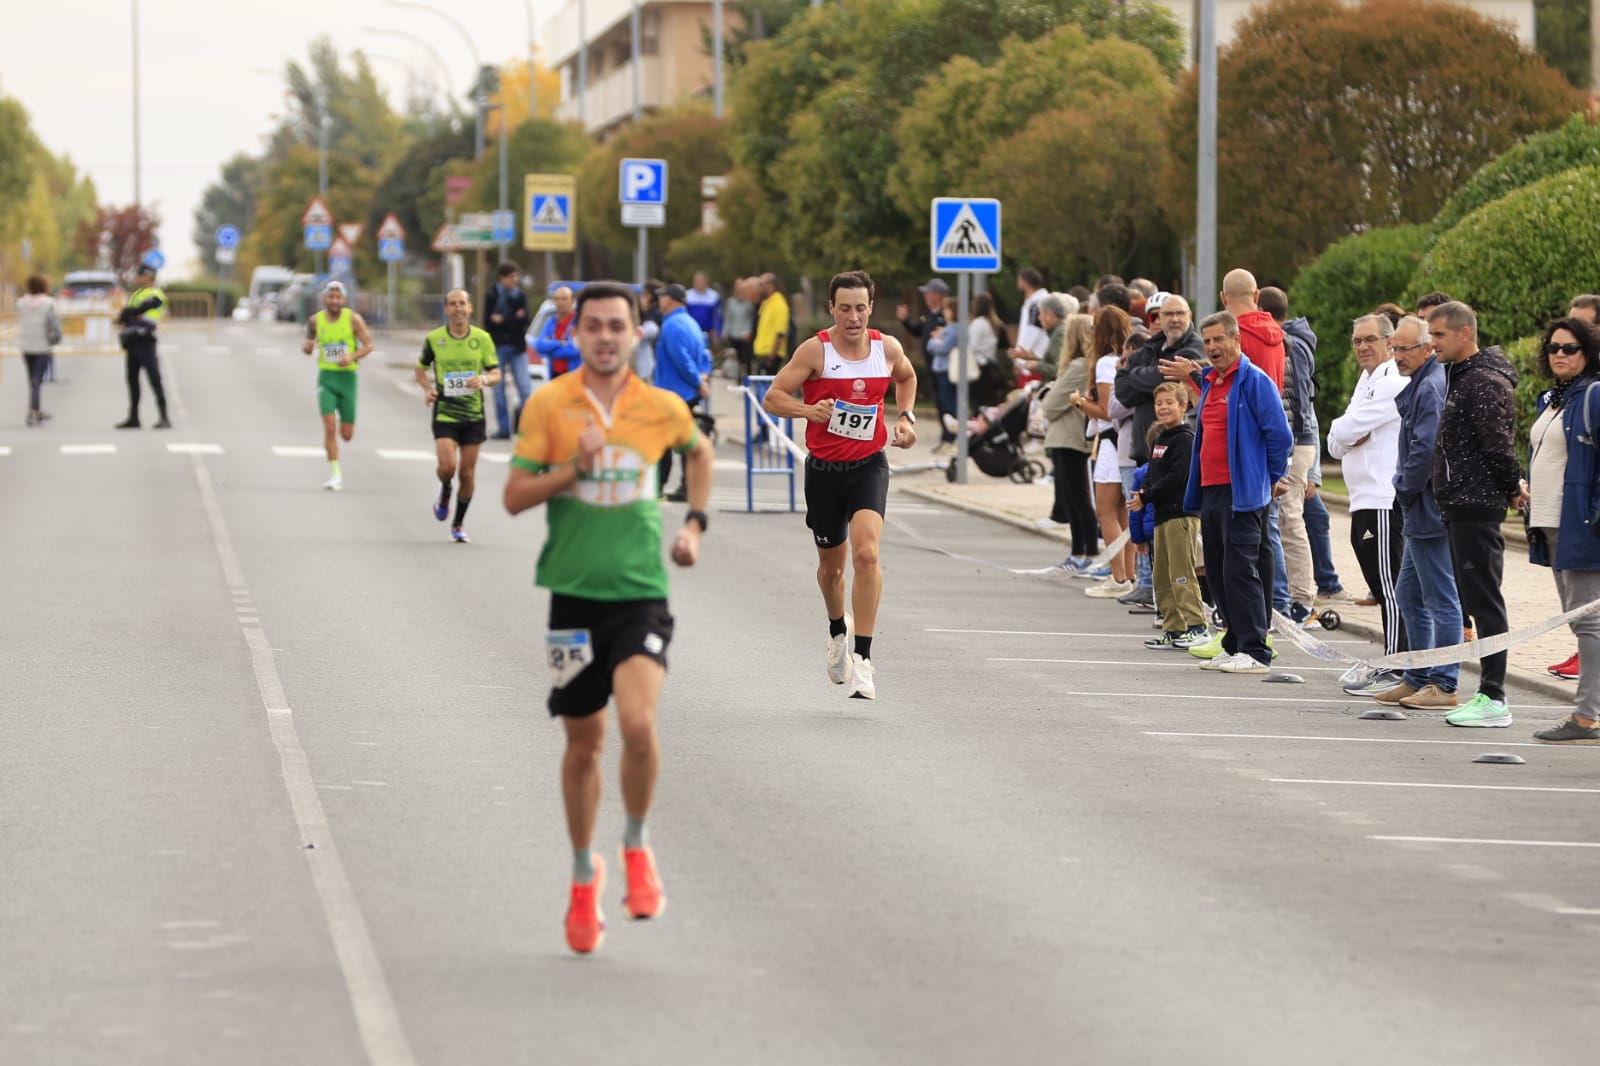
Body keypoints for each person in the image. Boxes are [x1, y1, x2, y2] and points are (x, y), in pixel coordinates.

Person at [503, 279, 714, 956]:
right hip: (572, 595)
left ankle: (635, 845)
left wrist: (695, 528)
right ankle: (580, 875)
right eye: (591, 325)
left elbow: (701, 452)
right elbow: (512, 497)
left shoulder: (660, 407)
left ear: (634, 332)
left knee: (637, 723)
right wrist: (572, 469)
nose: (603, 335)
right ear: (578, 333)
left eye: (615, 325)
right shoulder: (549, 404)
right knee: (584, 745)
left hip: (639, 591)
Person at [762, 270, 918, 701]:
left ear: (871, 306)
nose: (853, 317)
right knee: (832, 570)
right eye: (845, 308)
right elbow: (773, 396)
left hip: (870, 465)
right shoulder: (816, 350)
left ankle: (864, 661)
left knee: (867, 554)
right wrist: (806, 411)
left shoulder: (887, 347)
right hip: (825, 472)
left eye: (861, 308)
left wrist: (906, 417)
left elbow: (906, 378)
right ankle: (837, 631)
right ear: (832, 307)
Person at [1176, 311, 1292, 673]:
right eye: (1207, 341)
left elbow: (1280, 436)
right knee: (1217, 570)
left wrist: (1269, 478)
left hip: (1243, 493)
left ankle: (1256, 649)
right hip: (1211, 490)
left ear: (1236, 341)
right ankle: (1233, 642)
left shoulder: (1254, 381)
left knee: (1241, 571)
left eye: (1218, 340)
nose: (1212, 347)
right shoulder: (1211, 381)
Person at [1428, 301, 1524, 727]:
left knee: (1484, 601)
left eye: (1439, 336)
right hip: (1459, 503)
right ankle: (1486, 692)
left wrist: (1512, 488)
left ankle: (1494, 697)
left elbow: (1498, 445)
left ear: (1465, 334)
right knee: (1473, 599)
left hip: (1477, 505)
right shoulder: (1461, 376)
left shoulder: (1483, 381)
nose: (1433, 345)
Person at [1382, 316, 1462, 710]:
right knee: (1408, 594)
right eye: (1394, 348)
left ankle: (1444, 684)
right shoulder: (1421, 383)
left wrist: (1403, 488)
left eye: (1404, 349)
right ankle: (1416, 676)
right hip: (1419, 508)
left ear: (1427, 348)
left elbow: (1424, 450)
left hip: (1428, 508)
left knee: (1441, 598)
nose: (1397, 356)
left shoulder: (1430, 387)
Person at [1526, 317, 1600, 743]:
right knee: (1579, 622)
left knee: (1587, 622)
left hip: (1580, 525)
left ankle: (1587, 716)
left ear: (1587, 352)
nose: (1559, 354)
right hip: (1551, 523)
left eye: (1569, 348)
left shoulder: (1593, 395)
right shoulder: (1552, 399)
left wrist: (1594, 516)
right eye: (1554, 347)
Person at [1328, 313, 1409, 691]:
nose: (1362, 346)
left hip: (1381, 497)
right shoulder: (1366, 382)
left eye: (1370, 339)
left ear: (1389, 342)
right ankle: (1398, 659)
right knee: (1381, 586)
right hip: (1362, 500)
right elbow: (1336, 439)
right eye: (1357, 340)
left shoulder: (1392, 382)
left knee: (1388, 587)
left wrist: (1345, 432)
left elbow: (1345, 429)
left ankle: (1396, 662)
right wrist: (1344, 433)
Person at [417, 289, 501, 543]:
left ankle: (458, 523)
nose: (458, 308)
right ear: (446, 309)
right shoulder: (434, 339)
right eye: (453, 304)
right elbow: (420, 369)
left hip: (473, 414)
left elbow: (496, 373)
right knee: (447, 467)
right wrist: (427, 389)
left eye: (462, 303)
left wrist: (484, 379)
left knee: (467, 472)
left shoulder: (483, 339)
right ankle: (445, 490)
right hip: (445, 413)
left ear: (470, 307)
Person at [1259, 287, 1321, 626]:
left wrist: (1294, 449)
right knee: (1284, 521)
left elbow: (1299, 401)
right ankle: (1290, 597)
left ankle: (1299, 600)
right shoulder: (1292, 341)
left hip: (1293, 441)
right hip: (1296, 440)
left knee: (1289, 519)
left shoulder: (1289, 344)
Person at [1136, 382, 1208, 648]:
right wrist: (1144, 492)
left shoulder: (1185, 439)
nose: (1163, 408)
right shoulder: (1159, 439)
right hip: (1161, 516)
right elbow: (1154, 474)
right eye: (1159, 403)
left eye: (1169, 402)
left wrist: (1148, 494)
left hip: (1181, 515)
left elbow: (1178, 477)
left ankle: (1197, 625)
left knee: (1181, 573)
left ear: (1183, 406)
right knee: (1162, 576)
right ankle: (1174, 627)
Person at [1074, 307, 1136, 598]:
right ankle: (1130, 574)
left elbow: (1106, 410)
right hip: (1126, 440)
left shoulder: (1104, 365)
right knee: (1125, 513)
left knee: (1106, 511)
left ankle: (1118, 576)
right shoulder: (1128, 359)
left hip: (1110, 443)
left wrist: (1079, 403)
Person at [1038, 309, 1099, 570]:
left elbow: (1050, 405)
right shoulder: (1082, 365)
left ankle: (1086, 553)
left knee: (1078, 496)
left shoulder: (1078, 366)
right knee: (1073, 497)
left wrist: (1050, 390)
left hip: (1069, 437)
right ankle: (1078, 552)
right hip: (1067, 436)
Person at [1115, 294, 1205, 468]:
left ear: (1190, 316)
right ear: (1160, 318)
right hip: (1144, 452)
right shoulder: (1151, 346)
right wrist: (1147, 382)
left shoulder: (1195, 347)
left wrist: (1134, 374)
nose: (1175, 319)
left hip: (1177, 452)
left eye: (1180, 313)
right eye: (1169, 314)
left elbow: (1165, 380)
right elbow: (1122, 390)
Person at [301, 280, 374, 491]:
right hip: (327, 378)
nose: (334, 301)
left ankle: (344, 420)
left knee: (347, 435)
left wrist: (351, 356)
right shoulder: (315, 321)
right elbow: (308, 344)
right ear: (324, 298)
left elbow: (369, 345)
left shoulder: (353, 319)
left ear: (343, 299)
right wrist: (306, 347)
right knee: (329, 426)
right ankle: (335, 474)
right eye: (330, 297)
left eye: (338, 297)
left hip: (348, 379)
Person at [653, 283, 712, 502]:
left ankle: (658, 487)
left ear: (670, 300)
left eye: (662, 297)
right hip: (687, 393)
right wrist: (704, 375)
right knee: (685, 441)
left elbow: (682, 360)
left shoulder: (671, 326)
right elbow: (705, 355)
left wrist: (698, 381)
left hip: (672, 393)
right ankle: (686, 487)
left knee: (662, 443)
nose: (659, 301)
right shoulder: (692, 323)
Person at [898, 279, 953, 452]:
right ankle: (946, 435)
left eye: (928, 293)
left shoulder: (947, 315)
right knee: (940, 402)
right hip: (933, 367)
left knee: (948, 403)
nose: (925, 296)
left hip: (946, 368)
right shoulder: (929, 313)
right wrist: (906, 321)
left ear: (938, 295)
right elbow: (919, 331)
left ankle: (951, 438)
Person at [115, 262, 171, 429]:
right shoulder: (137, 293)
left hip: (146, 341)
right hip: (132, 340)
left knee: (154, 379)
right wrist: (127, 314)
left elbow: (138, 310)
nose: (137, 277)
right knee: (132, 379)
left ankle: (164, 416)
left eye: (140, 274)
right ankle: (133, 417)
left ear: (148, 276)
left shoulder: (156, 294)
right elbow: (127, 314)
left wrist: (128, 314)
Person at [484, 262, 532, 440]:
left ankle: (526, 428)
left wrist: (503, 319)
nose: (514, 280)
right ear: (502, 278)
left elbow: (525, 318)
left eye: (516, 276)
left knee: (525, 389)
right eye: (511, 276)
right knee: (498, 390)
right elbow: (489, 322)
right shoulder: (492, 295)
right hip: (497, 347)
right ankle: (503, 428)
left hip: (517, 347)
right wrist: (514, 318)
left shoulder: (520, 296)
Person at [1220, 268, 1284, 390]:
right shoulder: (1278, 334)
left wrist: (1192, 376)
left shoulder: (1230, 338)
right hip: (1274, 408)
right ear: (1256, 296)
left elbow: (1221, 391)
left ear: (1223, 298)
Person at [16, 274, 61, 426]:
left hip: (26, 344)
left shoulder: (21, 303)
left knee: (32, 379)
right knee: (37, 379)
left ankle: (35, 410)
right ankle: (34, 411)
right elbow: (54, 323)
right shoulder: (49, 303)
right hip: (42, 345)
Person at [535, 286, 581, 377]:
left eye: (564, 299)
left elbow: (574, 349)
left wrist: (550, 349)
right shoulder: (551, 322)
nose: (560, 302)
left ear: (572, 301)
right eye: (557, 299)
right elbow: (539, 345)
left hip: (573, 375)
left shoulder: (579, 322)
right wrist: (560, 343)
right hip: (554, 374)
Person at [753, 272, 791, 376]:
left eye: (761, 284)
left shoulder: (779, 304)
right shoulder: (767, 303)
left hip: (771, 355)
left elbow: (780, 332)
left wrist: (772, 355)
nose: (759, 288)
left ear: (770, 285)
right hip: (762, 352)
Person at [722, 278, 757, 380]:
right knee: (735, 358)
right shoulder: (731, 302)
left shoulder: (749, 302)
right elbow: (728, 317)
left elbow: (752, 319)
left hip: (745, 334)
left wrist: (750, 331)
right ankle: (737, 378)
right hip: (734, 333)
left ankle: (748, 379)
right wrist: (726, 331)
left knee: (745, 359)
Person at [684, 270, 721, 345]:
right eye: (697, 280)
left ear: (706, 281)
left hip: (709, 332)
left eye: (701, 280)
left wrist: (717, 333)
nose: (699, 282)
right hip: (691, 331)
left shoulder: (714, 296)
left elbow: (718, 316)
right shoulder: (687, 295)